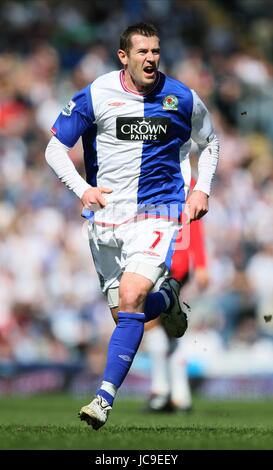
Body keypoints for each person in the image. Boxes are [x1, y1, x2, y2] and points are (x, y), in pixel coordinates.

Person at [45, 22, 219, 430]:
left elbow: (209, 142)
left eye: (155, 51)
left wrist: (201, 189)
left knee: (133, 292)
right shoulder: (97, 94)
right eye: (142, 52)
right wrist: (81, 189)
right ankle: (170, 299)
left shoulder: (181, 98)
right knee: (129, 311)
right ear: (123, 56)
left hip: (158, 211)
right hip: (105, 219)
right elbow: (55, 148)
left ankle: (103, 399)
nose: (151, 59)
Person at [144, 180, 209, 412]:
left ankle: (160, 393)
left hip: (163, 259)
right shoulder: (186, 177)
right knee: (170, 327)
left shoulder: (165, 170)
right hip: (173, 260)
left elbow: (194, 224)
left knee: (153, 324)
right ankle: (180, 395)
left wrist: (201, 263)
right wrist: (200, 264)